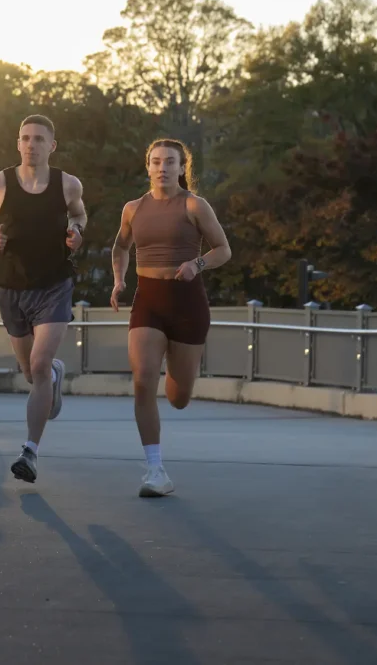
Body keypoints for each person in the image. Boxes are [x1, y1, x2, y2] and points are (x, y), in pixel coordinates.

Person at [110, 138, 231, 497]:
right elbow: (120, 246)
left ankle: (177, 370)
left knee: (178, 397)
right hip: (148, 301)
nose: (162, 167)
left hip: (188, 304)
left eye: (170, 162)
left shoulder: (194, 205)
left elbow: (223, 249)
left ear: (182, 168)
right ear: (147, 166)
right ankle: (155, 470)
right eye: (156, 161)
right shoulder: (132, 209)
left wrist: (197, 264)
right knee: (143, 381)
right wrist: (119, 280)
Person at [0, 114, 87, 483]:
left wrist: (77, 233)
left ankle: (30, 452)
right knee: (30, 371)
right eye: (25, 138)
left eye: (39, 138)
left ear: (52, 146)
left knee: (38, 365)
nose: (31, 144)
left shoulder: (67, 185)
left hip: (54, 285)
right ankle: (51, 376)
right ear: (17, 143)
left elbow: (80, 216)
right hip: (11, 288)